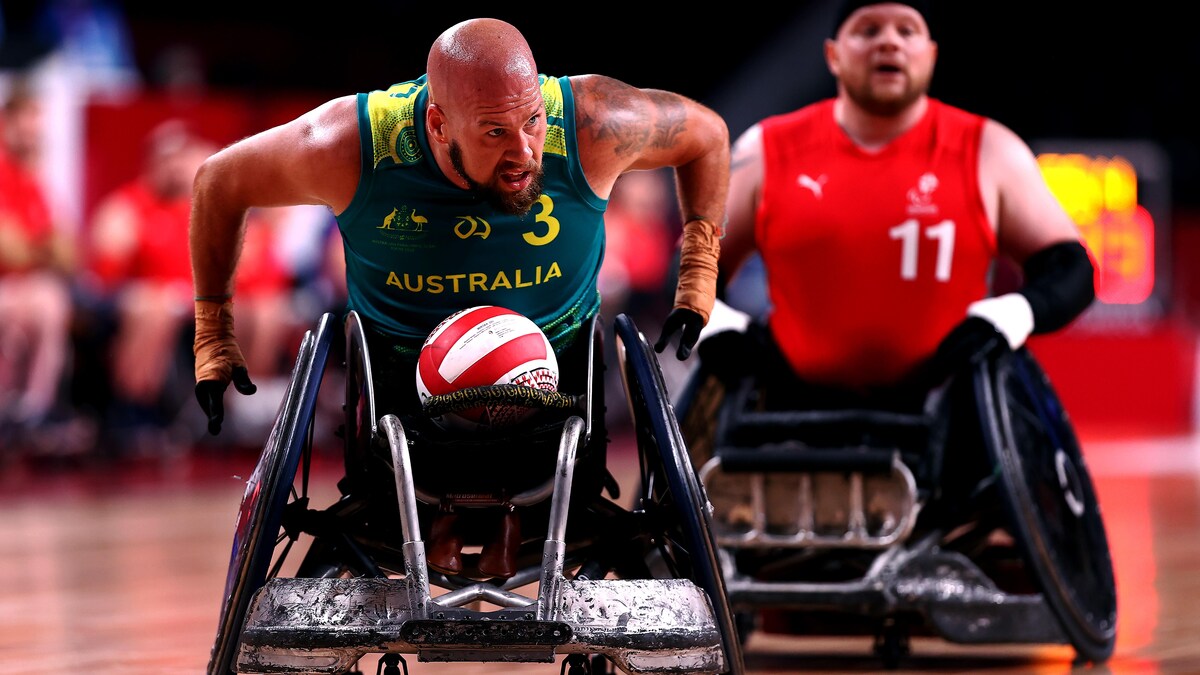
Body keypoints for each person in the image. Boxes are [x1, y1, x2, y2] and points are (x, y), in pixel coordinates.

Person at [188, 18, 728, 577]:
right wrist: (213, 333)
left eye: (533, 122)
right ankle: (449, 519)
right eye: (494, 133)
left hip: (559, 400)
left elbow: (707, 134)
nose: (524, 151)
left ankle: (508, 516)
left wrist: (697, 274)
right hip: (402, 407)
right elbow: (217, 182)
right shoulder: (352, 144)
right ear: (439, 125)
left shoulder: (590, 120)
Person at [707, 0, 1095, 409]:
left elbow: (1071, 267)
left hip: (950, 415)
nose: (889, 42)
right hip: (792, 411)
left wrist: (1014, 313)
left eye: (906, 30)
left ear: (930, 55)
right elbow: (692, 266)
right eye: (869, 30)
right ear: (833, 56)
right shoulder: (766, 150)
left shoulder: (989, 150)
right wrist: (718, 325)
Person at [0, 76, 76, 449]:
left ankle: (31, 411)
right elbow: (8, 248)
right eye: (28, 122)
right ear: (7, 122)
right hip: (9, 285)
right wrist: (41, 248)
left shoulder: (33, 179)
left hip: (23, 285)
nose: (35, 133)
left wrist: (37, 248)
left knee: (47, 300)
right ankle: (22, 410)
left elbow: (67, 253)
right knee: (38, 305)